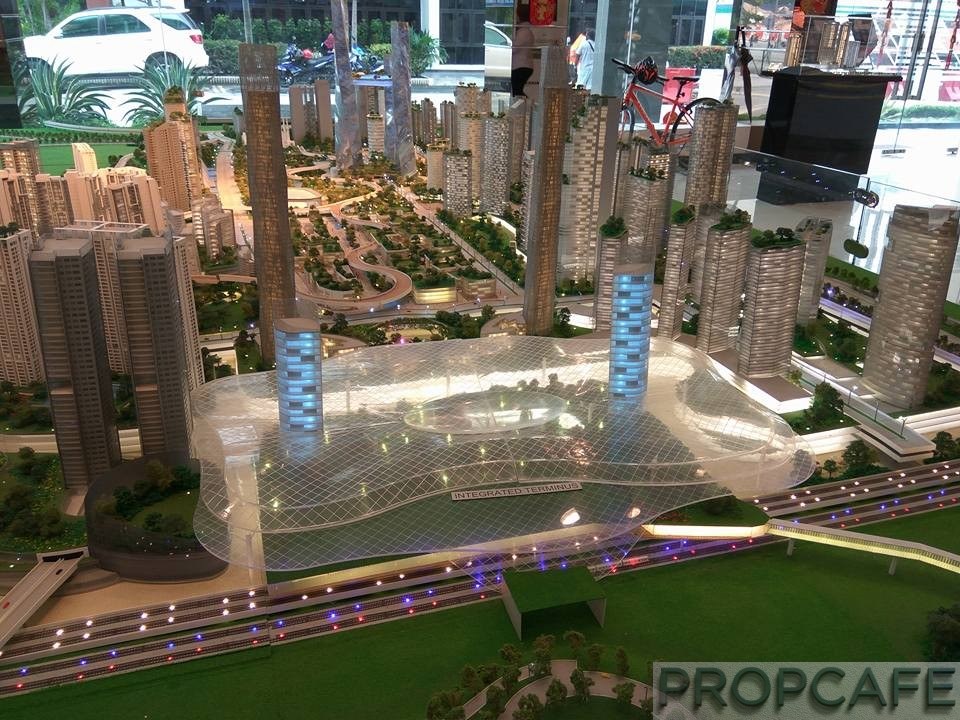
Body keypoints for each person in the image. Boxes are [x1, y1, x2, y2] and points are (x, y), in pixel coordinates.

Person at [511, 3, 535, 97]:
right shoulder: (526, 31)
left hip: (521, 67)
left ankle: (529, 104)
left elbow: (514, 48)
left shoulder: (523, 32)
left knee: (517, 92)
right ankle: (527, 104)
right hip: (523, 66)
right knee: (518, 91)